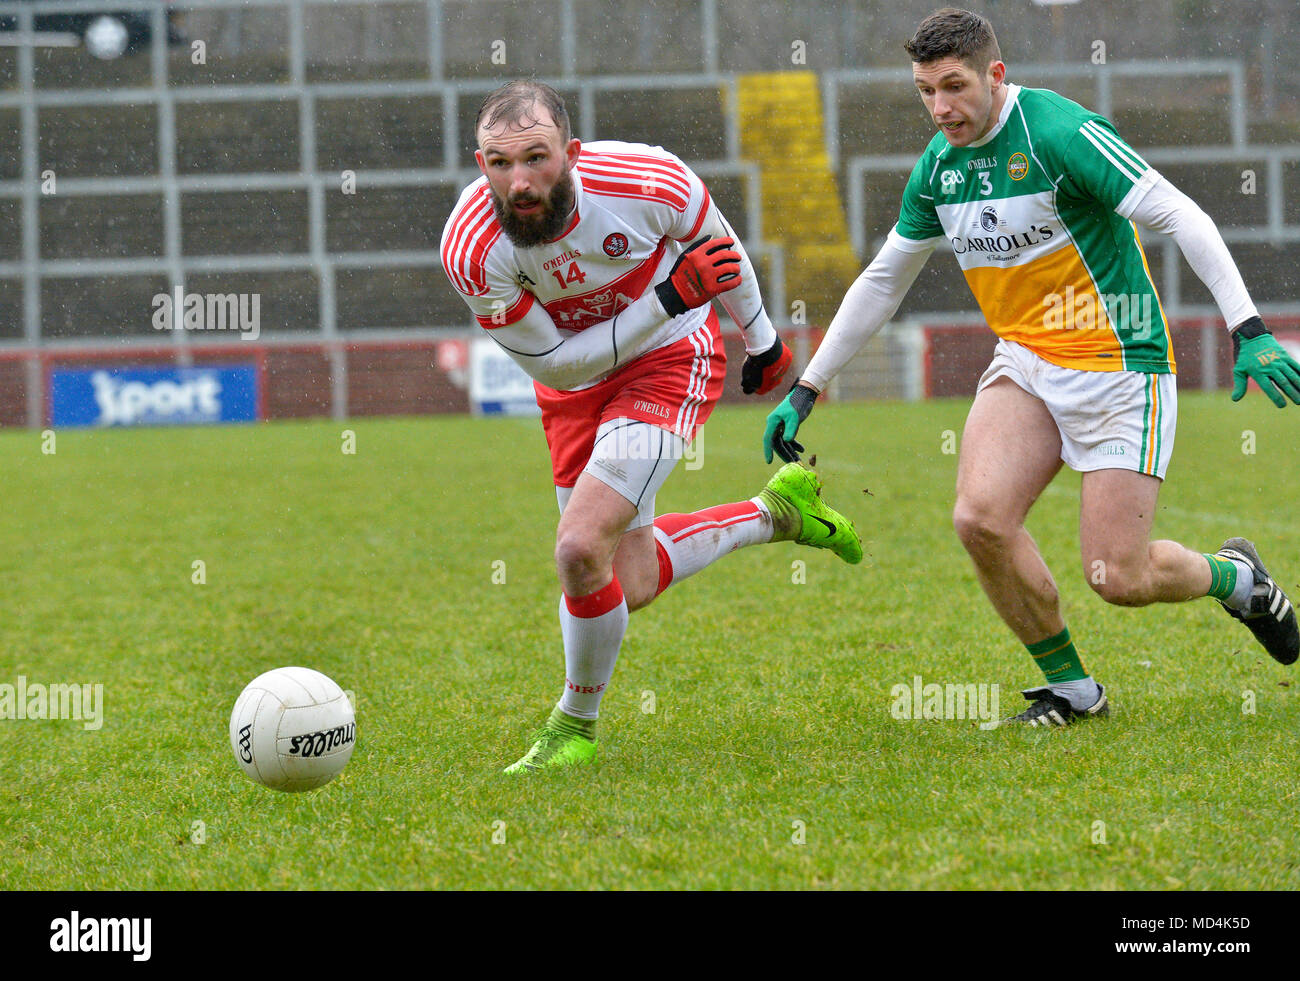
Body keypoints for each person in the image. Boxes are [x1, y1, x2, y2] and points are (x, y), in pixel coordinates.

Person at [763, 7, 1300, 726]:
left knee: (1118, 575)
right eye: (925, 91)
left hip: (1122, 364)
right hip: (1027, 362)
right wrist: (807, 384)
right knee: (979, 518)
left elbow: (1180, 215)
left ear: (996, 74)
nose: (940, 108)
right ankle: (1073, 689)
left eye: (954, 87)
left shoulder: (1057, 133)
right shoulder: (938, 168)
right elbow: (885, 280)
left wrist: (1250, 327)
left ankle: (1239, 580)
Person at [442, 81, 864, 771]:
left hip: (671, 359)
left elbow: (719, 250)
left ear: (572, 153)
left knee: (579, 549)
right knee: (623, 580)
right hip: (575, 383)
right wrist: (664, 297)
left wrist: (762, 344)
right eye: (498, 162)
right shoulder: (470, 247)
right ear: (478, 161)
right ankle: (777, 512)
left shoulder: (647, 179)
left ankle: (573, 727)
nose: (518, 181)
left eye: (537, 158)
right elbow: (557, 367)